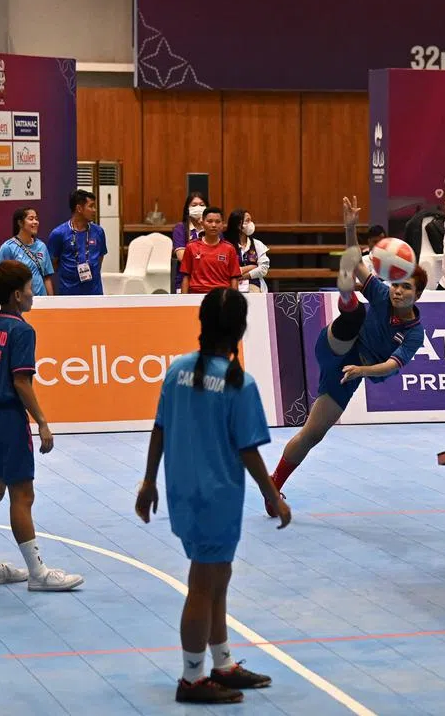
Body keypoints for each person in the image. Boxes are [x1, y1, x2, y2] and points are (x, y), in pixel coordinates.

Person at [135, 288, 290, 705]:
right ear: (240, 329)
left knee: (217, 578)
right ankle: (191, 679)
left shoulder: (176, 370)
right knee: (203, 585)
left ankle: (222, 664)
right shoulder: (239, 382)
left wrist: (148, 482)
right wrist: (273, 494)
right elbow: (247, 449)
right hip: (217, 496)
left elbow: (160, 428)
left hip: (184, 492)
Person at [267, 197, 427, 507]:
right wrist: (350, 227)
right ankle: (347, 299)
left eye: (405, 288)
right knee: (355, 316)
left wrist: (361, 372)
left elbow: (392, 366)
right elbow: (356, 262)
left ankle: (273, 486)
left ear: (417, 294)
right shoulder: (381, 295)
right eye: (396, 285)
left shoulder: (414, 333)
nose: (397, 290)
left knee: (313, 434)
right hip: (336, 347)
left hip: (348, 375)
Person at [0, 261, 84, 591]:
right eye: (31, 289)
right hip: (8, 420)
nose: (35, 294)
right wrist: (43, 422)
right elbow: (21, 382)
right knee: (23, 494)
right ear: (17, 295)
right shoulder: (22, 330)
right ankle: (38, 574)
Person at [47, 189, 108, 296]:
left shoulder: (99, 231)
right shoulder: (58, 233)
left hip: (94, 292)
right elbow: (53, 263)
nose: (94, 210)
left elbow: (100, 258)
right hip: (68, 293)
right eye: (91, 206)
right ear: (79, 208)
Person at [181, 207, 241, 294]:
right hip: (196, 294)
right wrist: (184, 301)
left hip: (222, 295)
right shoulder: (191, 247)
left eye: (218, 222)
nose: (213, 225)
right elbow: (186, 276)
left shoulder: (229, 248)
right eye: (209, 221)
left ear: (222, 224)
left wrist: (233, 300)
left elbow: (234, 278)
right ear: (202, 223)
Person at [0, 207, 55, 296]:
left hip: (42, 301)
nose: (35, 222)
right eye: (31, 219)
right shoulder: (8, 247)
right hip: (20, 303)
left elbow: (47, 277)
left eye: (36, 219)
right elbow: (1, 279)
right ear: (20, 223)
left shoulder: (42, 246)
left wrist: (51, 301)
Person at [223, 209, 270, 292]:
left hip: (253, 284)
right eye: (247, 221)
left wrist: (243, 276)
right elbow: (225, 269)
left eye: (251, 220)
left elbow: (263, 268)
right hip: (230, 285)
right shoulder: (225, 245)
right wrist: (250, 267)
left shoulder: (257, 244)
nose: (251, 224)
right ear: (238, 225)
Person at [173, 193, 208, 293]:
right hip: (185, 280)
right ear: (187, 208)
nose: (198, 207)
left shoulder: (213, 228)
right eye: (194, 205)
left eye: (202, 205)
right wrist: (207, 257)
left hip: (210, 280)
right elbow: (182, 257)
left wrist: (205, 226)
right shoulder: (181, 228)